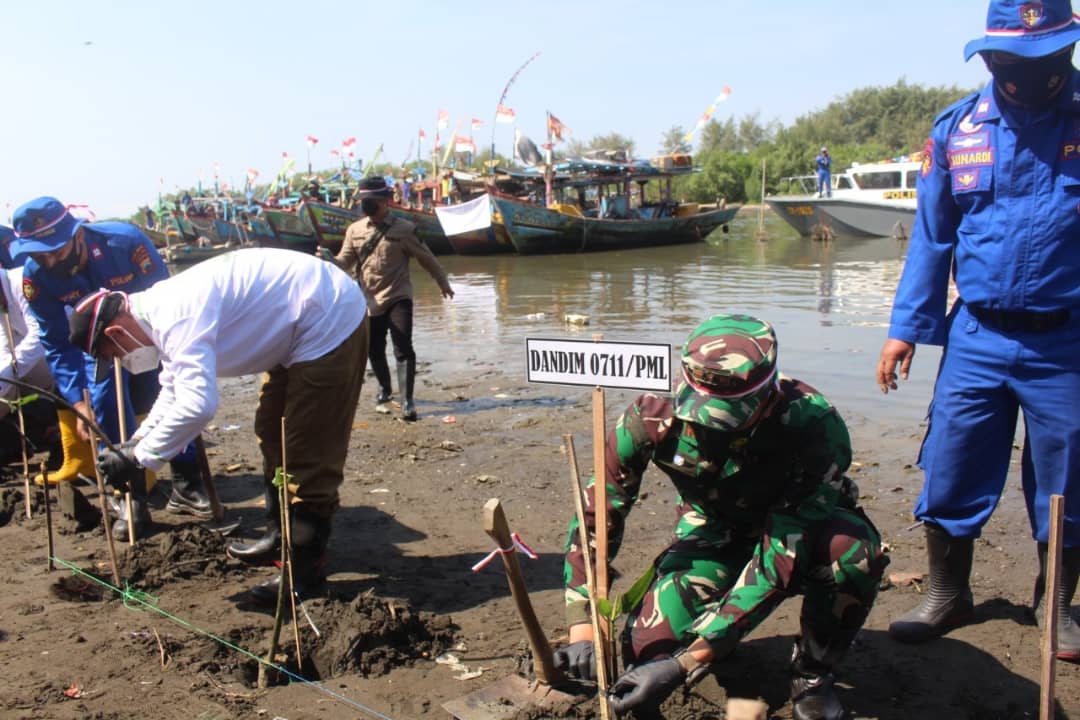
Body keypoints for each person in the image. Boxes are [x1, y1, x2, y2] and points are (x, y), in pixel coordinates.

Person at [876, 0, 1080, 660]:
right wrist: (905, 329)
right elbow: (932, 240)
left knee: (1069, 474)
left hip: (1066, 340)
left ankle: (1056, 605)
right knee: (952, 459)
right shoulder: (958, 130)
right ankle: (947, 592)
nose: (1023, 74)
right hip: (978, 336)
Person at [557, 315, 887, 719]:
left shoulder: (812, 427)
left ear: (768, 394)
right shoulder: (651, 415)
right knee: (643, 652)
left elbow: (776, 564)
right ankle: (707, 639)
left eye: (730, 415)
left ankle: (812, 674)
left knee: (850, 555)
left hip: (796, 534)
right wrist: (583, 629)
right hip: (714, 529)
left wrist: (685, 662)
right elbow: (596, 519)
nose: (710, 428)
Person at [68, 248, 369, 603]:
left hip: (328, 320)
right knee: (272, 431)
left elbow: (198, 406)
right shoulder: (158, 317)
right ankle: (279, 537)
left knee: (306, 452)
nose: (122, 361)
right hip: (299, 325)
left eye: (114, 354)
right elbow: (174, 390)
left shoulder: (174, 315)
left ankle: (305, 573)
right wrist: (133, 445)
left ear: (116, 332)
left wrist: (141, 459)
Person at [9, 197, 208, 540]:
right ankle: (129, 497)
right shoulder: (36, 278)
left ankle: (187, 482)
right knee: (104, 405)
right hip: (97, 345)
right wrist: (77, 402)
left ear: (76, 234)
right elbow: (56, 343)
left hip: (150, 330)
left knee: (175, 396)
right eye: (40, 254)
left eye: (55, 249)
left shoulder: (126, 243)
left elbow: (168, 297)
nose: (50, 260)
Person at [324, 176, 453, 421]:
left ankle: (407, 401)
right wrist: (328, 258)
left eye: (370, 201)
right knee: (374, 348)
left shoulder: (404, 230)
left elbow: (427, 258)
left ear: (385, 201)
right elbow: (344, 262)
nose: (365, 205)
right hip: (368, 300)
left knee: (403, 346)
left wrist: (442, 282)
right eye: (363, 201)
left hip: (397, 295)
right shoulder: (355, 230)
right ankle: (384, 389)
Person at [0, 263, 58, 465]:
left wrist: (10, 372)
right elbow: (4, 345)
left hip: (65, 350)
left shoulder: (23, 282)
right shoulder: (2, 304)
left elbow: (41, 334)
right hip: (36, 361)